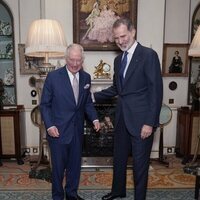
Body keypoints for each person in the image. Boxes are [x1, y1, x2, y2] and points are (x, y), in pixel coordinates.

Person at [94, 17, 163, 200]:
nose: (120, 41)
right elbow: (117, 89)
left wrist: (150, 122)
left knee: (140, 165)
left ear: (133, 32)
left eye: (123, 36)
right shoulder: (118, 60)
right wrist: (92, 96)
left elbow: (156, 92)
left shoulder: (149, 55)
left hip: (142, 121)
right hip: (122, 118)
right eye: (116, 38)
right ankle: (118, 191)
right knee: (119, 158)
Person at [40, 43, 100, 200]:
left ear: (82, 60)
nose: (75, 64)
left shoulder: (86, 77)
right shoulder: (53, 77)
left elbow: (86, 102)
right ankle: (58, 196)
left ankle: (72, 194)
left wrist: (94, 118)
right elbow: (45, 105)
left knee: (75, 167)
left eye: (78, 60)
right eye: (72, 60)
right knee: (58, 169)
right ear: (66, 59)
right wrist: (50, 125)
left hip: (77, 131)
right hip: (57, 131)